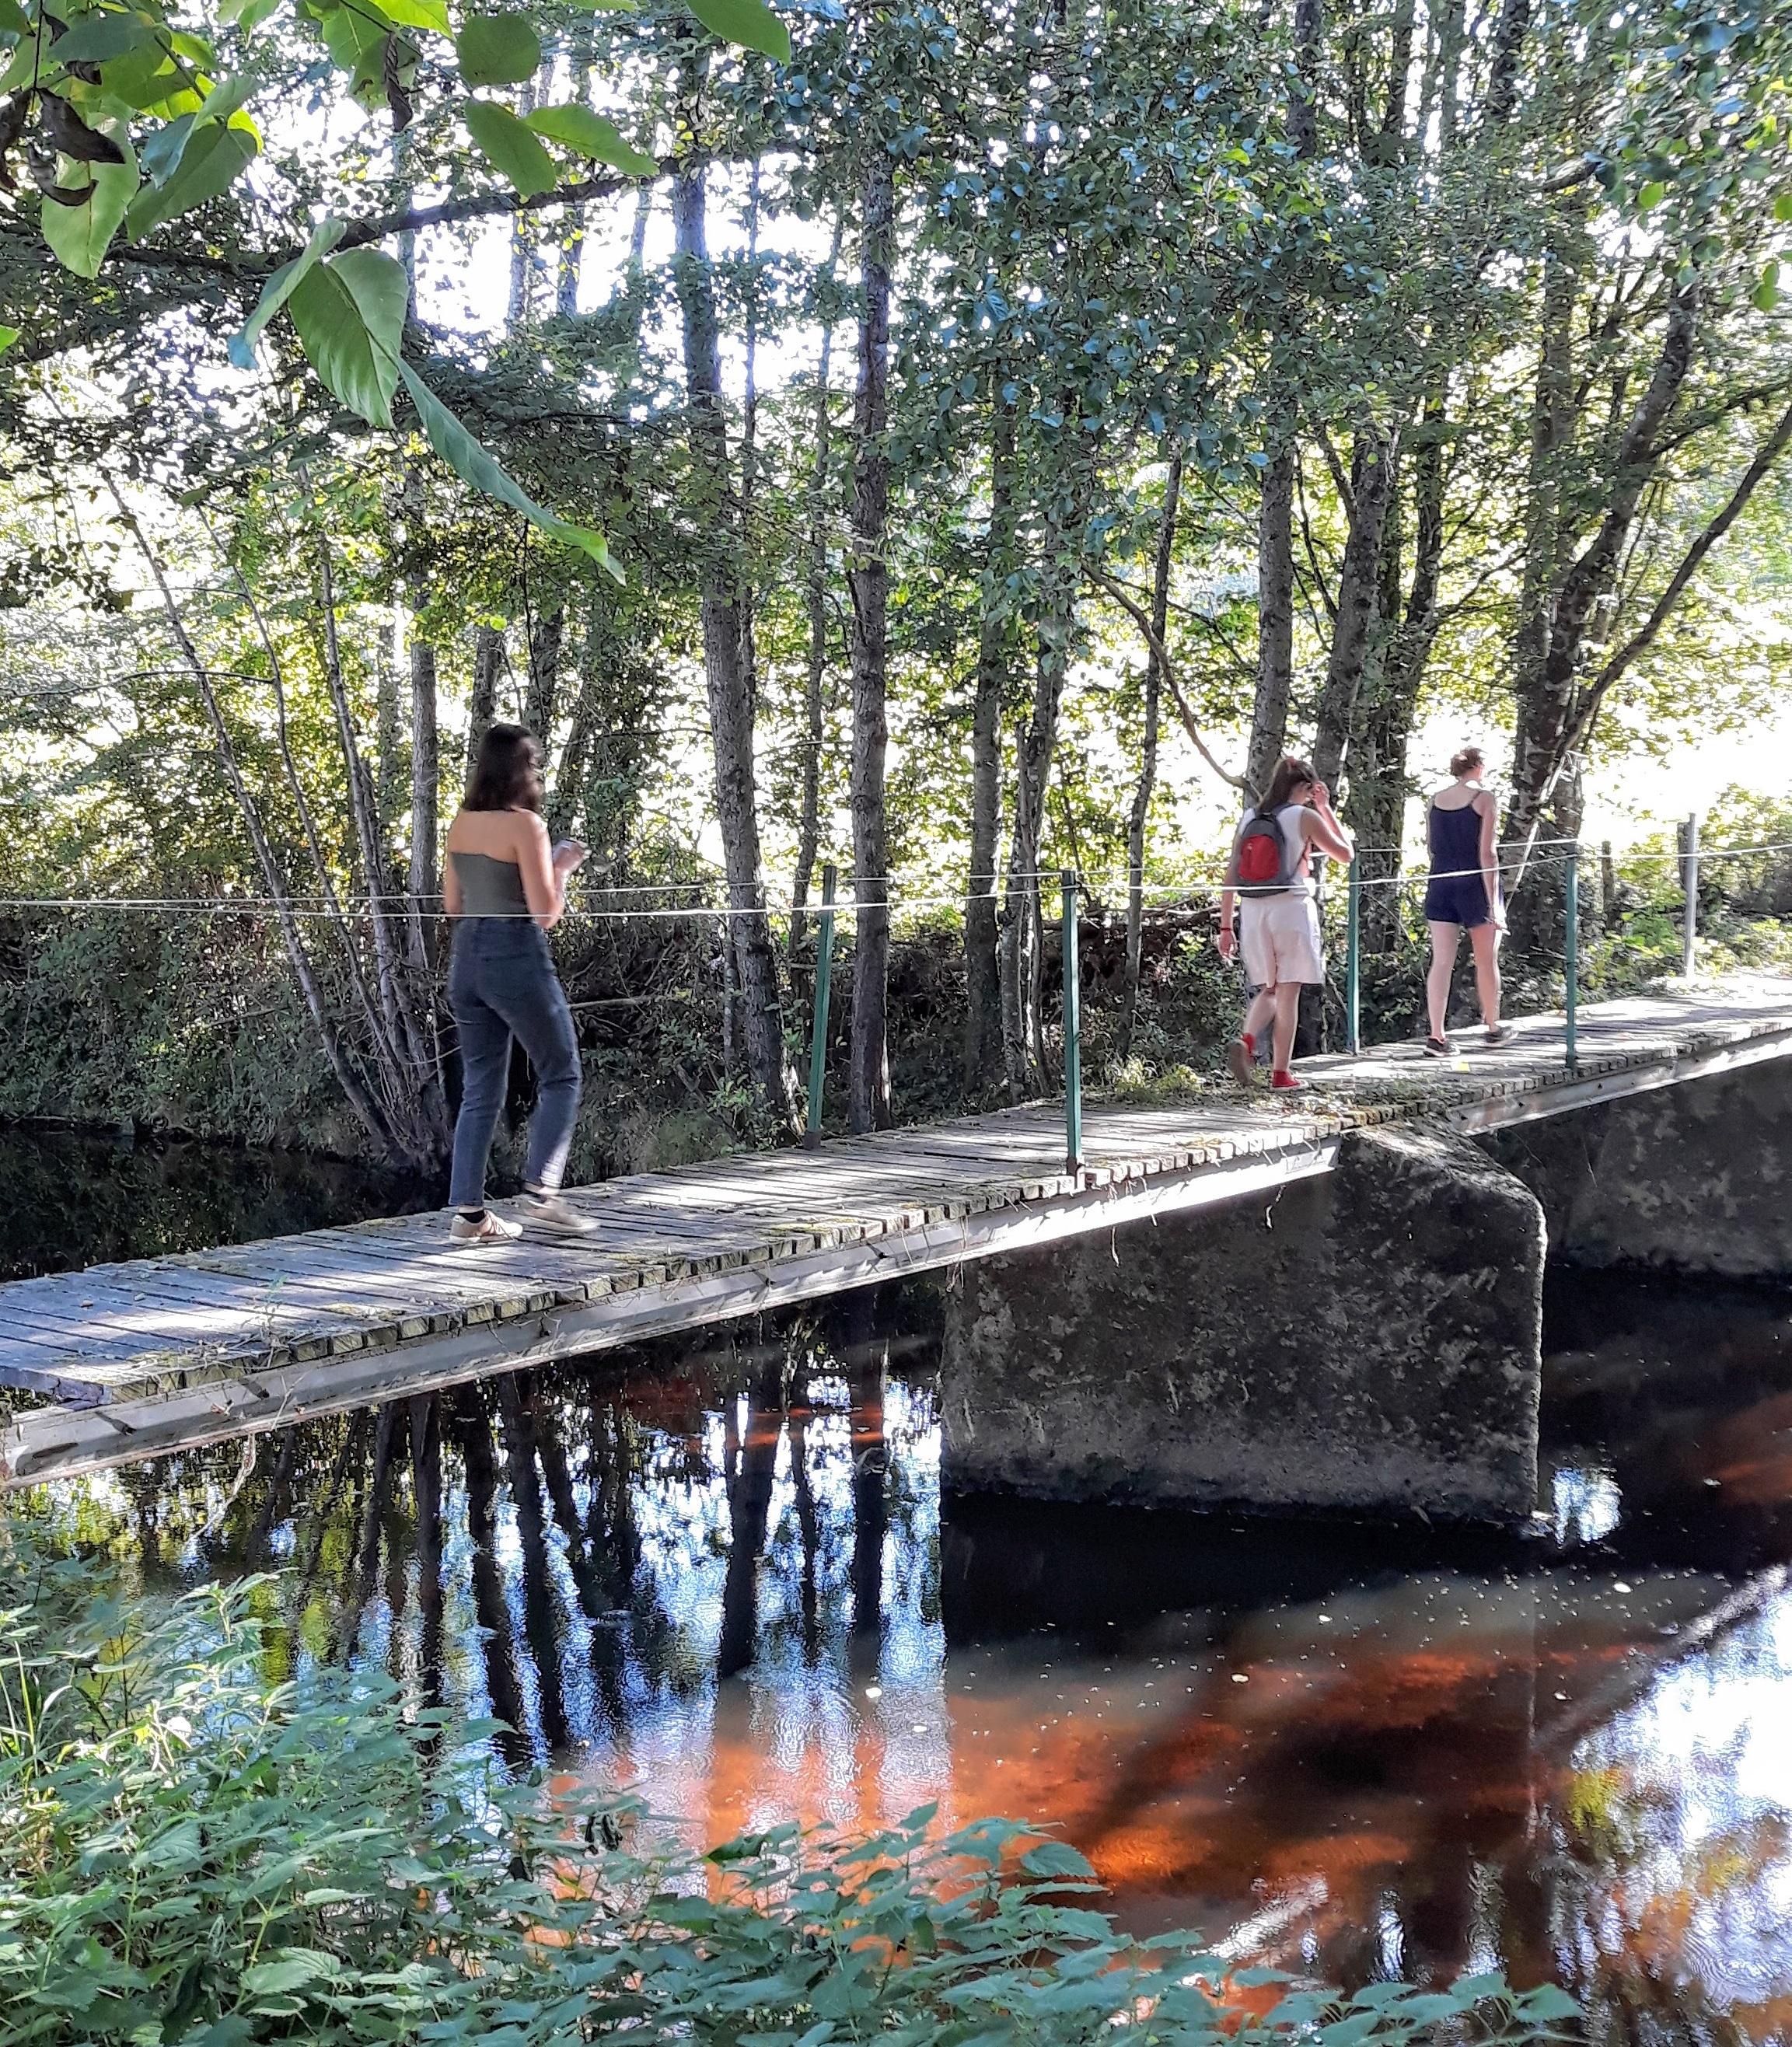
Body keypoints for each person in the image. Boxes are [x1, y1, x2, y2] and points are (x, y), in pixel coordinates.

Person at [442, 722, 596, 1243]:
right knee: (561, 1071)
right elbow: (546, 913)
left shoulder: (461, 824)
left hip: (467, 959)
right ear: (522, 770)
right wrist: (561, 866)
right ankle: (541, 1192)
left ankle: (469, 1217)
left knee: (480, 1087)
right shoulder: (526, 826)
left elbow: (453, 905)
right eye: (535, 765)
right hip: (514, 954)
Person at [1217, 756, 1355, 1092]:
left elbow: (1231, 874)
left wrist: (1225, 927)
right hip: (1290, 909)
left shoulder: (1250, 817)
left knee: (1270, 989)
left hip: (1253, 912)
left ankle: (1247, 1041)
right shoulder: (1304, 816)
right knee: (1289, 993)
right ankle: (1281, 1075)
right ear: (1306, 787)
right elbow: (1346, 854)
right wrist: (1325, 808)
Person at [1422, 745, 1507, 1056]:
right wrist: (1494, 905)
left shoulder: (1435, 801)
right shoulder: (1484, 799)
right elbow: (1488, 854)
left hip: (1440, 882)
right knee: (1486, 959)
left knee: (1441, 961)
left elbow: (1432, 846)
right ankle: (1493, 1027)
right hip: (1474, 885)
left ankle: (1436, 1036)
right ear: (1479, 767)